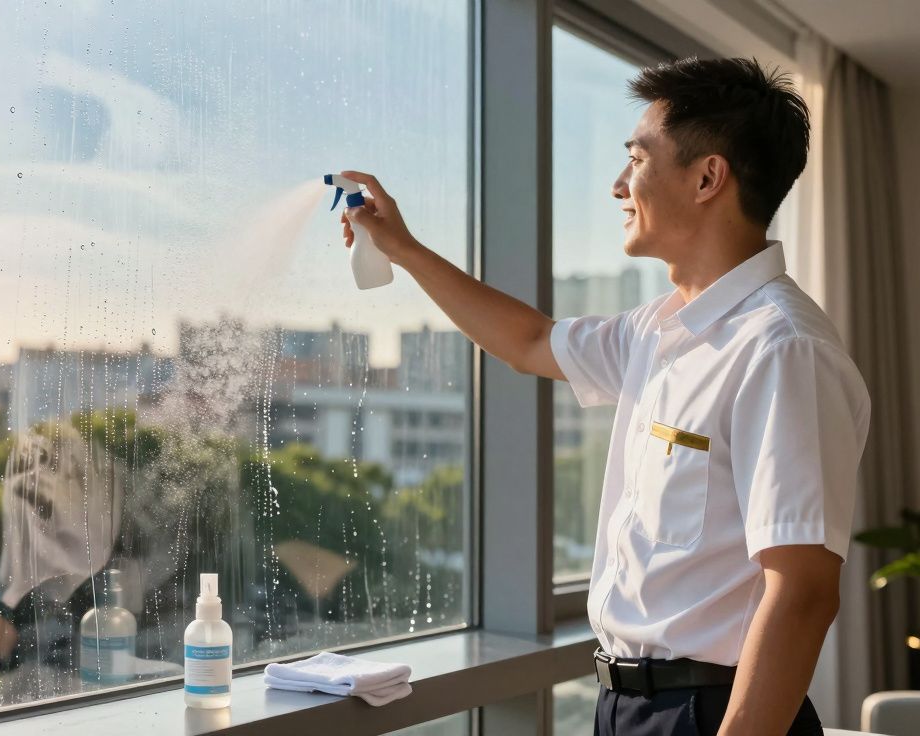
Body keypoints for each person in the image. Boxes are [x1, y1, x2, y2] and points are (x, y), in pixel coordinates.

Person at [338, 57, 870, 736]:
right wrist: (403, 248)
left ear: (708, 177)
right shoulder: (660, 331)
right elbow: (529, 342)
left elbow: (800, 591)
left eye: (637, 159)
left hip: (714, 713)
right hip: (627, 707)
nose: (620, 185)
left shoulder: (780, 349)